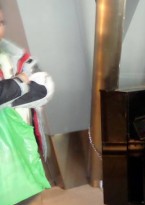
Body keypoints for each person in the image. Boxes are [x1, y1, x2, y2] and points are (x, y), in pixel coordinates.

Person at [0, 8, 53, 205]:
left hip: (21, 143)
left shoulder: (14, 56)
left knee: (26, 194)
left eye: (1, 23)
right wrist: (20, 83)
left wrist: (12, 93)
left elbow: (44, 88)